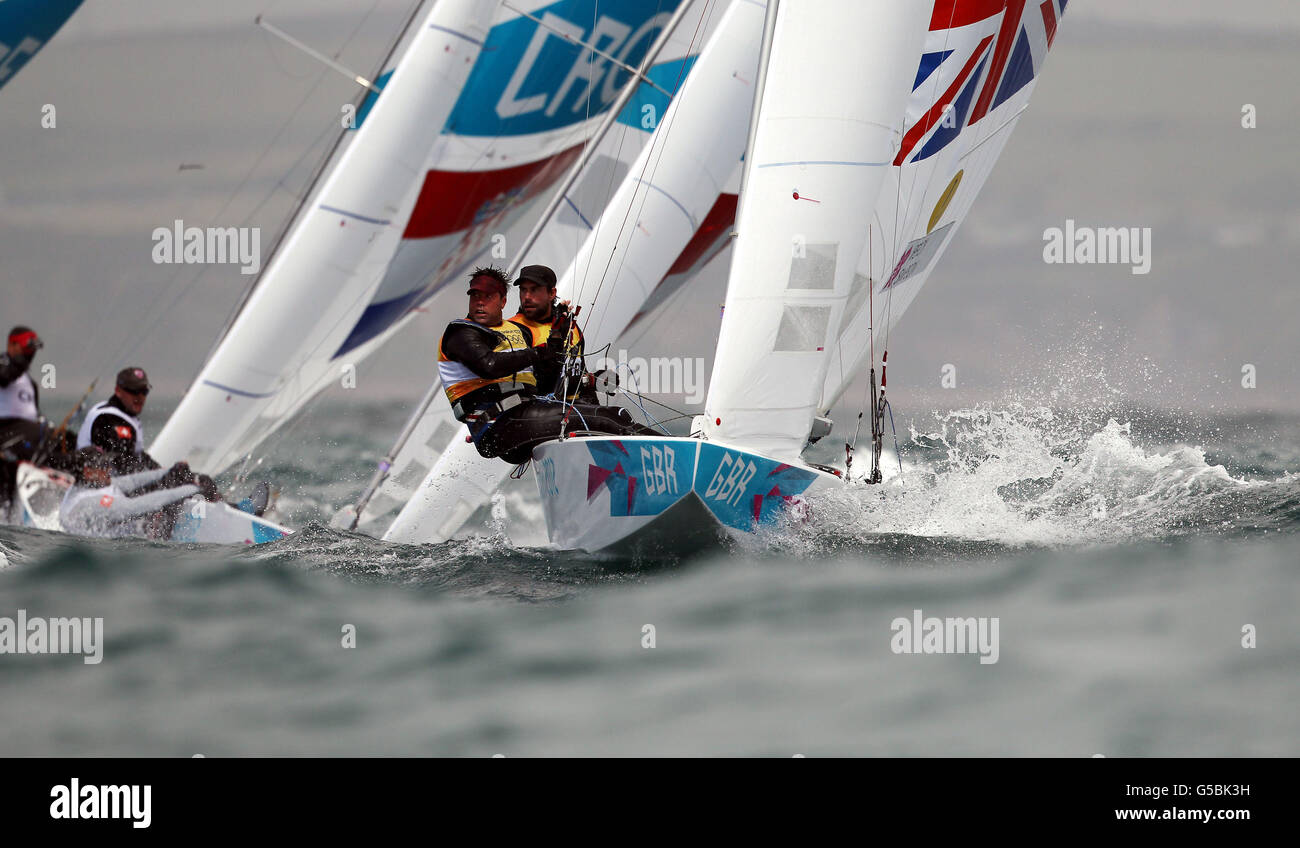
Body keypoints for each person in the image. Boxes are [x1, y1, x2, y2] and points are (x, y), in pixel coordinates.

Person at [438, 267, 651, 465]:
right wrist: (542, 351)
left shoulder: (509, 333)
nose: (480, 303)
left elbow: (547, 381)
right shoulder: (461, 333)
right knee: (605, 418)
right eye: (475, 296)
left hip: (524, 417)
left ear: (502, 301)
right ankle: (678, 459)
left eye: (488, 297)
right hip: (496, 427)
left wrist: (557, 339)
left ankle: (648, 467)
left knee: (614, 416)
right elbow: (490, 365)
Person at [59, 446, 220, 540]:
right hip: (117, 553)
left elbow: (132, 482)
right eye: (104, 465)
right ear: (88, 472)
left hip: (130, 539)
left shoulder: (91, 484)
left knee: (175, 478)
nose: (109, 469)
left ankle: (230, 505)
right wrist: (194, 489)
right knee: (171, 498)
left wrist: (169, 471)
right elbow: (133, 508)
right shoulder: (86, 504)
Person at [0, 326, 74, 508]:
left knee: (68, 441)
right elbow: (4, 376)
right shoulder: (3, 365)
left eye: (31, 351)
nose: (30, 355)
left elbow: (33, 413)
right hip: (6, 433)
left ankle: (76, 490)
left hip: (26, 437)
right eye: (26, 349)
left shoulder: (29, 383)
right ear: (12, 344)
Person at [510, 264, 593, 402]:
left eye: (534, 290)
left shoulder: (571, 325)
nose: (527, 297)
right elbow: (540, 386)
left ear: (552, 293)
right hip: (542, 413)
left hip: (577, 409)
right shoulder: (515, 329)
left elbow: (579, 372)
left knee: (620, 415)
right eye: (523, 290)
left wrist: (594, 380)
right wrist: (556, 338)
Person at [76, 367, 162, 474]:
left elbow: (138, 456)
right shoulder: (108, 418)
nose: (140, 397)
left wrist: (162, 472)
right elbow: (124, 463)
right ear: (118, 391)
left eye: (144, 392)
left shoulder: (125, 415)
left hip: (114, 482)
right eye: (134, 391)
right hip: (98, 484)